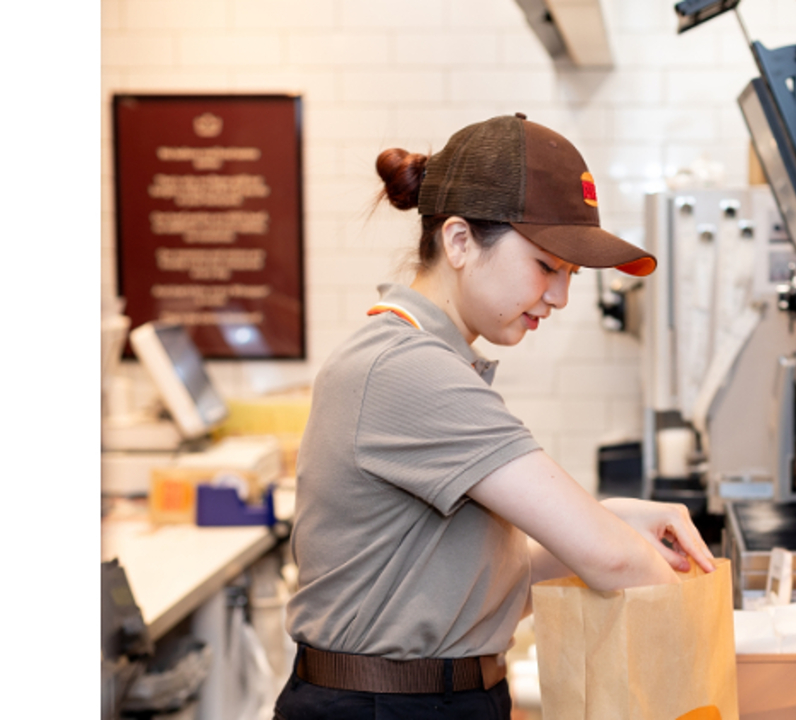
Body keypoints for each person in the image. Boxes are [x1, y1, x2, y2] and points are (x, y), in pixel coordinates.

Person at [273, 113, 716, 720]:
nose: (560, 297)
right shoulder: (407, 368)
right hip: (385, 707)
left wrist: (612, 519)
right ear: (458, 241)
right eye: (546, 266)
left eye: (571, 275)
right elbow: (612, 562)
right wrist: (707, 644)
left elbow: (485, 594)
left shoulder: (429, 359)